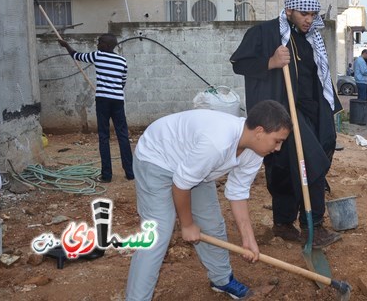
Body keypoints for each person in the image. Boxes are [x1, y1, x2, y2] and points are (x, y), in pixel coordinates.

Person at [125, 100, 292, 300]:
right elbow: (181, 184)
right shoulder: (218, 142)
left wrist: (248, 239)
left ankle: (221, 280)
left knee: (212, 224)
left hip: (196, 169)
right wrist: (187, 224)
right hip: (157, 158)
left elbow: (238, 192)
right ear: (259, 131)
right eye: (277, 140)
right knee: (159, 231)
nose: (279, 148)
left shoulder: (255, 151)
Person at [230, 0, 342, 248]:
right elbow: (239, 63)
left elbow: (319, 77)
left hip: (313, 112)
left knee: (308, 158)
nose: (309, 20)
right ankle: (311, 226)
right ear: (289, 10)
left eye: (313, 15)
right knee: (301, 164)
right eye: (304, 14)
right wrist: (270, 62)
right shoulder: (264, 33)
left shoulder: (312, 38)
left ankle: (284, 223)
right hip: (282, 112)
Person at [59, 34, 134, 182]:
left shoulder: (98, 56)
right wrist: (114, 90)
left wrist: (66, 45)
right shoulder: (122, 60)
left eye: (99, 42)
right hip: (118, 100)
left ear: (106, 45)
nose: (97, 44)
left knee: (104, 136)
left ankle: (107, 175)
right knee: (123, 136)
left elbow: (76, 55)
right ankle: (130, 173)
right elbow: (122, 81)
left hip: (103, 101)